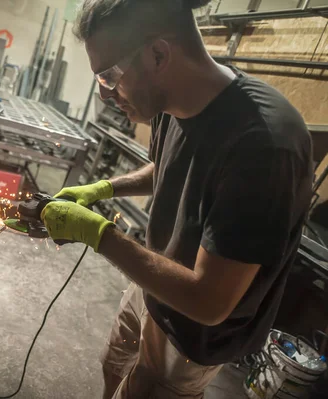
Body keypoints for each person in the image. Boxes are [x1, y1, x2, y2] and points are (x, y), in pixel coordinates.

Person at [40, 0, 314, 398]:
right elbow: (168, 165)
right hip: (155, 283)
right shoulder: (170, 100)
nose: (105, 94)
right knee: (113, 366)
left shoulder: (266, 147)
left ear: (158, 54)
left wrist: (100, 235)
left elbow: (209, 301)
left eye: (110, 75)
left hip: (194, 330)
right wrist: (105, 188)